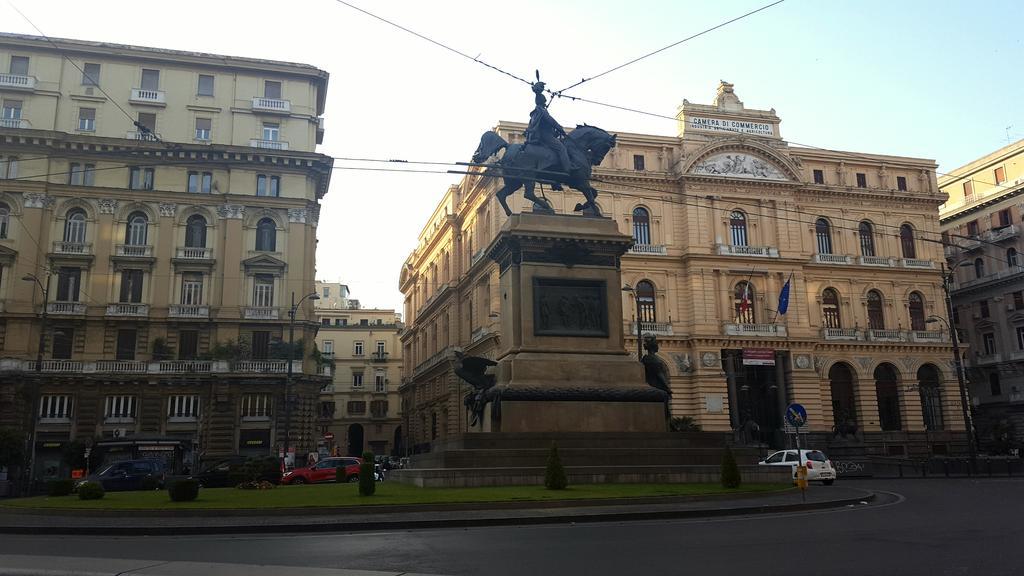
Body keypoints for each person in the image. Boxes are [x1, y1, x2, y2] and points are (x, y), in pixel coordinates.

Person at [525, 81, 571, 189]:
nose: (546, 103)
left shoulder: (536, 111)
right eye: (545, 102)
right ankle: (567, 170)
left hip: (542, 136)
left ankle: (555, 180)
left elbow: (545, 125)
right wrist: (560, 128)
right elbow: (550, 121)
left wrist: (555, 131)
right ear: (542, 102)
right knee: (561, 149)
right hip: (545, 137)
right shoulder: (541, 110)